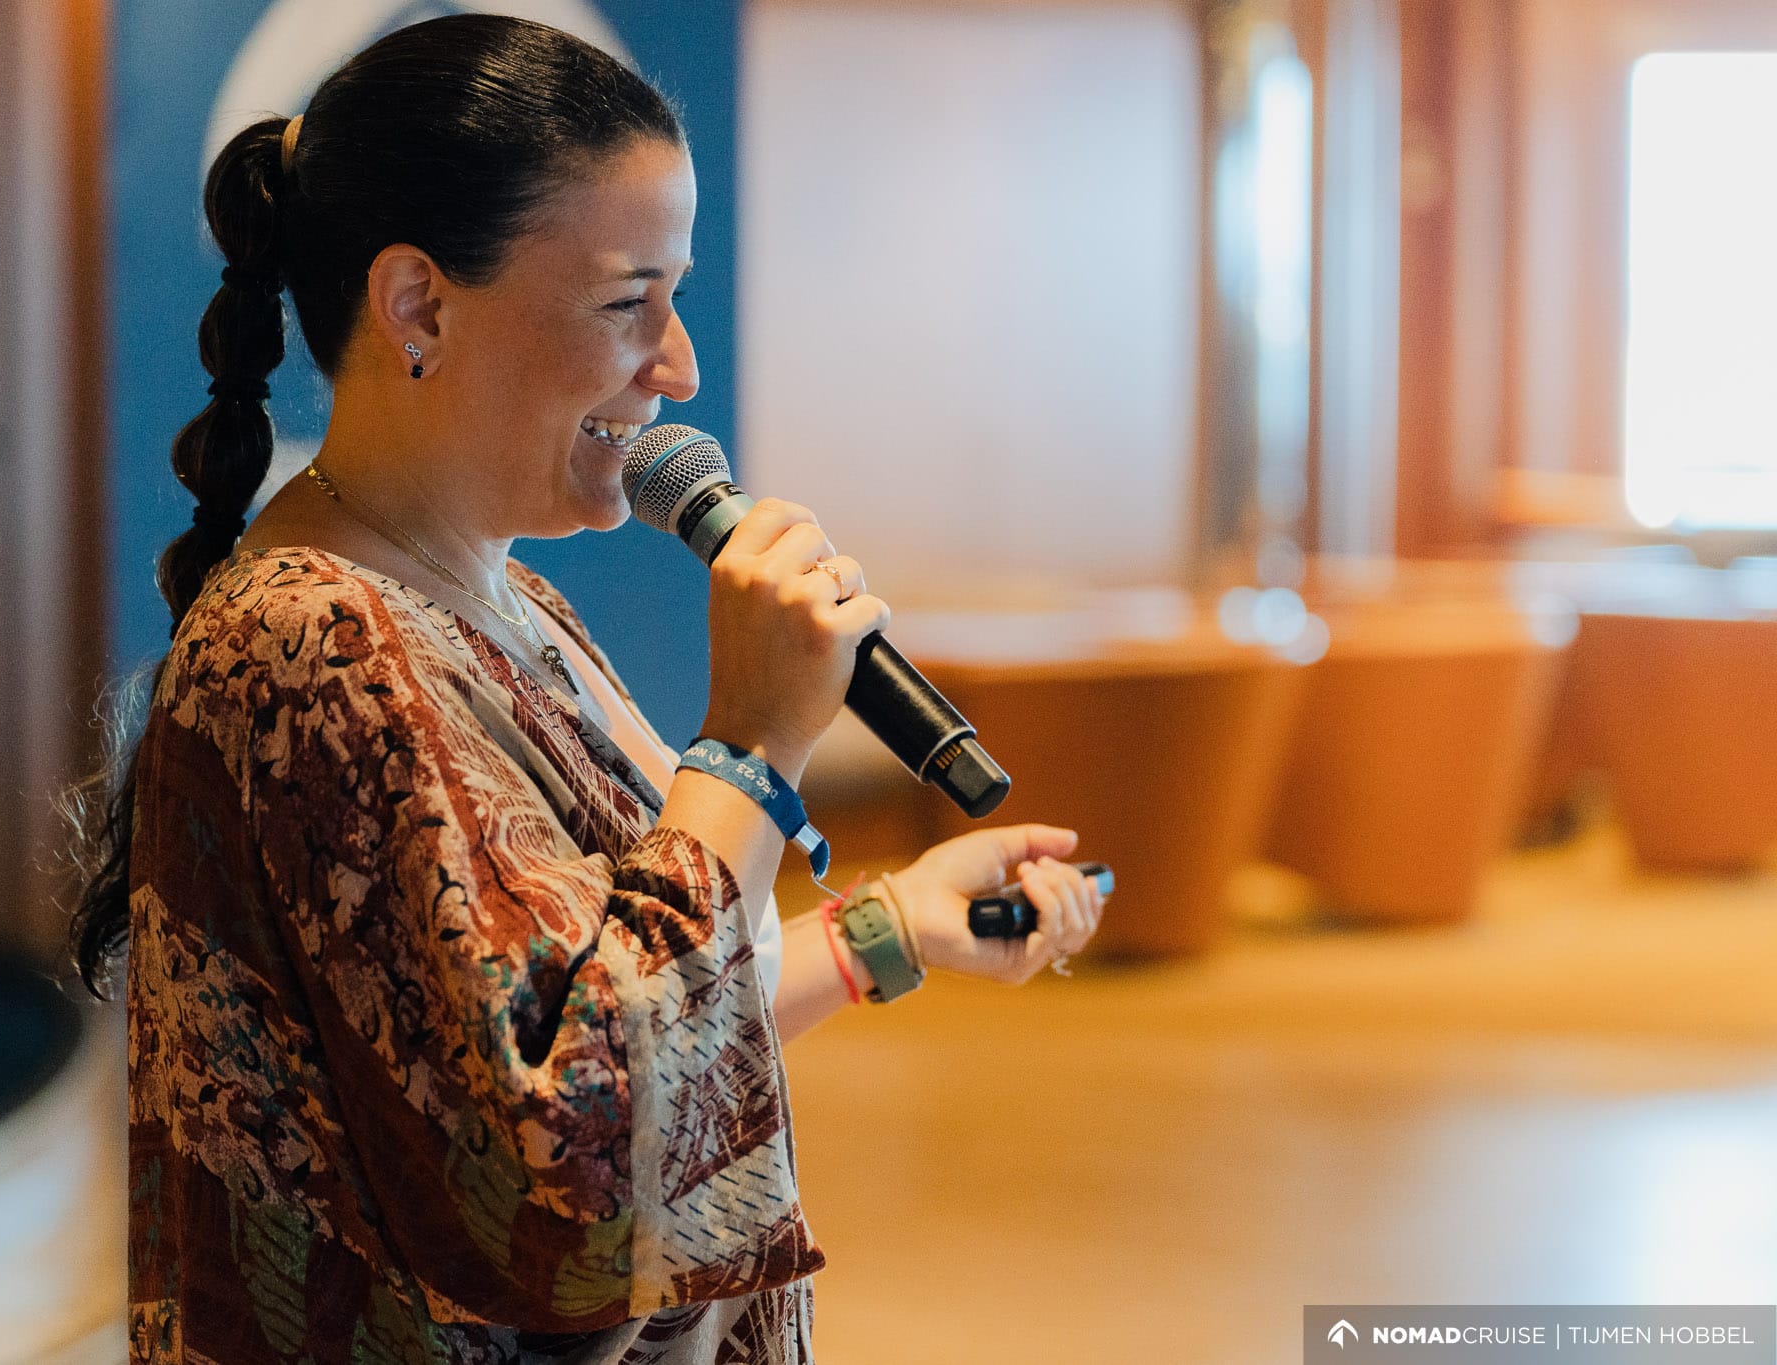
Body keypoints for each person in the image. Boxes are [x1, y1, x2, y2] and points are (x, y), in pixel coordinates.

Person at [69, 15, 1103, 1364]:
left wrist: (885, 933)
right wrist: (748, 748)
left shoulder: (506, 602)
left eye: (677, 297)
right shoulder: (310, 647)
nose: (678, 368)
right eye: (628, 304)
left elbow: (599, 1010)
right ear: (419, 306)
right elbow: (562, 1171)